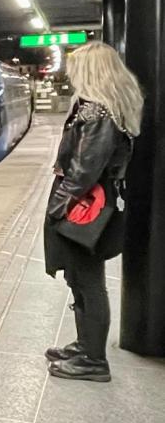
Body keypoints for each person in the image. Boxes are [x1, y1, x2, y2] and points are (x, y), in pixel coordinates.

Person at [43, 41, 143, 382]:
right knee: (80, 278)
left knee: (88, 281)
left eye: (76, 69)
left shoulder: (97, 114)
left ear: (90, 72)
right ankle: (85, 345)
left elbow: (84, 171)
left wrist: (58, 208)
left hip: (85, 207)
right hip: (88, 204)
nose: (71, 75)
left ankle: (93, 359)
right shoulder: (102, 110)